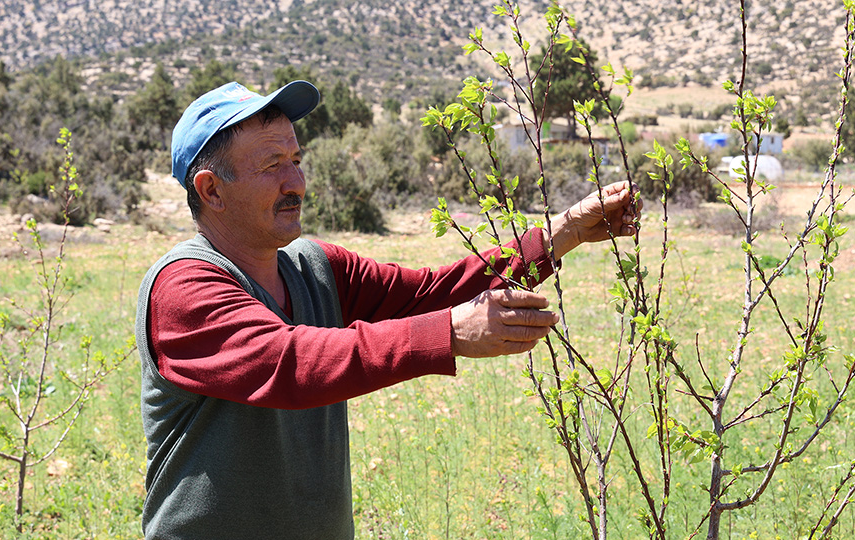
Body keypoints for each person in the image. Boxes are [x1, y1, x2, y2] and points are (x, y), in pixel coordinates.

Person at [135, 80, 640, 540]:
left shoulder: (313, 266)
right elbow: (288, 364)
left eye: (296, 159)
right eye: (272, 166)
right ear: (211, 190)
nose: (297, 182)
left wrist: (563, 232)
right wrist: (447, 333)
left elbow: (430, 293)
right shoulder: (183, 286)